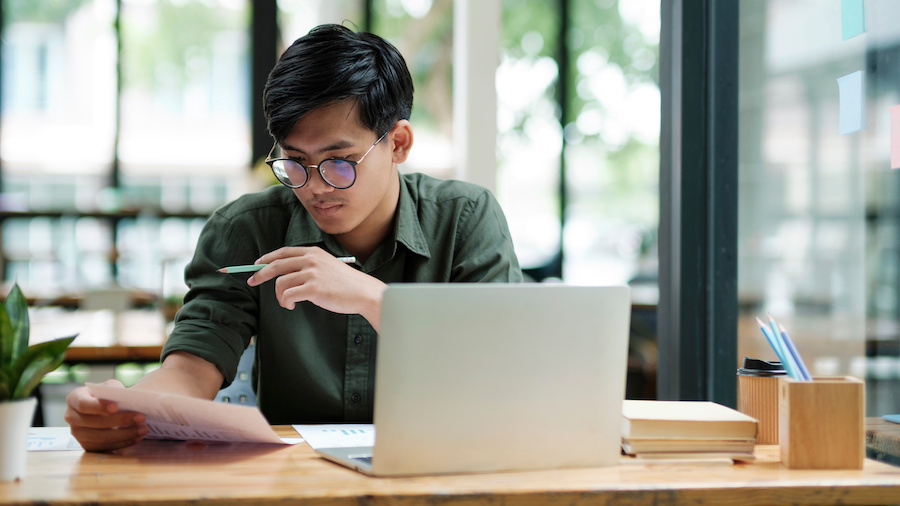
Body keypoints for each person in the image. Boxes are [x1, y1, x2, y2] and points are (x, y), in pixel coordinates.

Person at [64, 24, 522, 452]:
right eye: (295, 162)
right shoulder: (247, 229)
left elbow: (500, 370)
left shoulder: (465, 219)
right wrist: (125, 409)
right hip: (294, 481)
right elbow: (190, 368)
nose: (315, 186)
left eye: (339, 161)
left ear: (398, 143)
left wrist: (375, 300)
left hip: (446, 463)